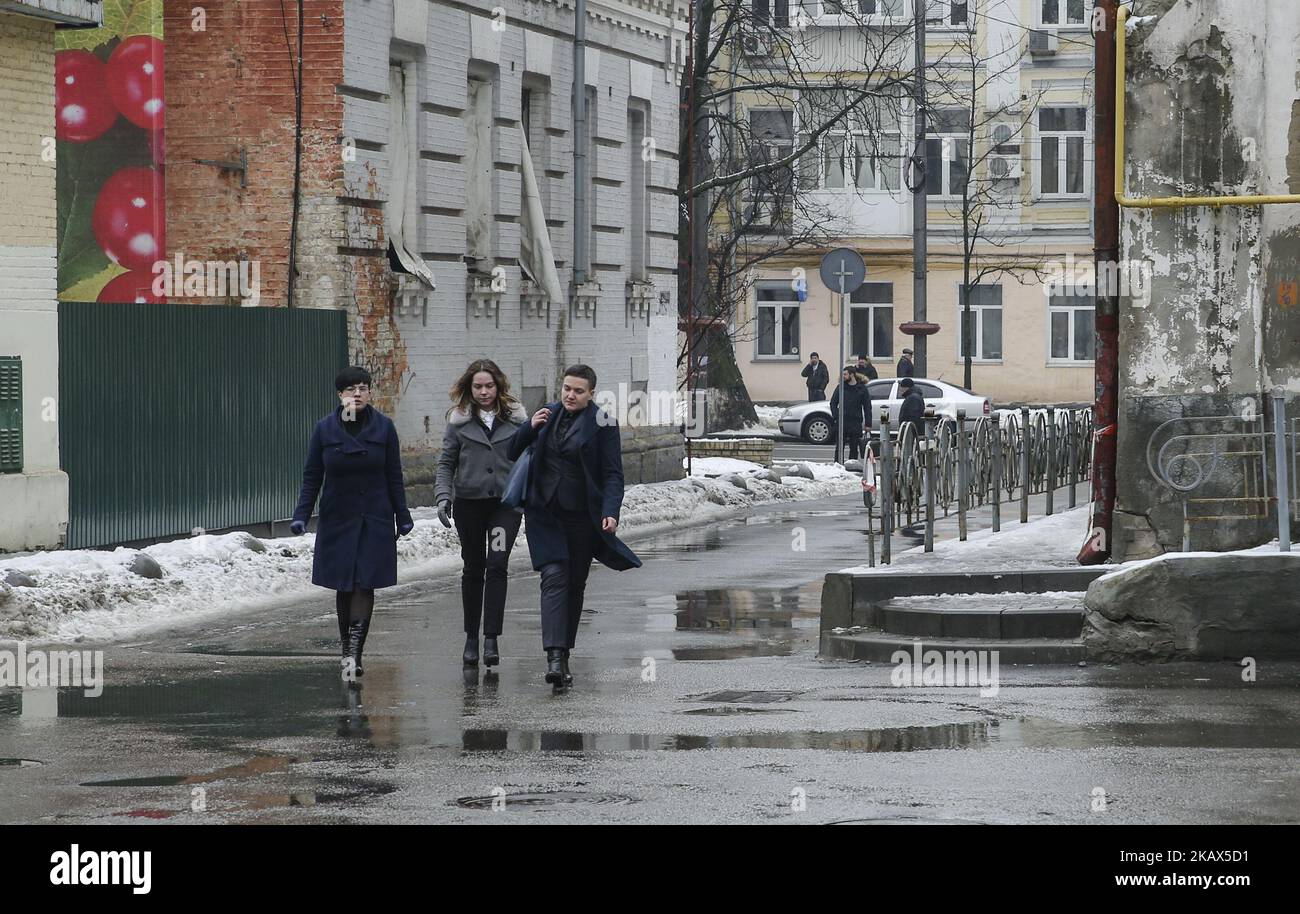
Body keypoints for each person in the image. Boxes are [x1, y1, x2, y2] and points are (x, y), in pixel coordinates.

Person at [507, 365, 642, 688]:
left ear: (591, 394)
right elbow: (512, 451)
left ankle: (564, 651)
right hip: (544, 512)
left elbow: (612, 474)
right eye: (567, 388)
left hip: (582, 515)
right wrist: (529, 427)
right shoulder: (547, 414)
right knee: (554, 577)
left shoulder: (604, 424)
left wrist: (611, 511)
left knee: (575, 583)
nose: (570, 395)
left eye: (578, 391)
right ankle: (554, 656)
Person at [291, 366, 414, 682]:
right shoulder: (325, 430)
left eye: (362, 388)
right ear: (339, 395)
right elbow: (312, 476)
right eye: (350, 389)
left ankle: (353, 654)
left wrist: (403, 515)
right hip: (338, 517)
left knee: (364, 582)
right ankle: (347, 647)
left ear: (370, 393)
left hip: (374, 517)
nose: (357, 394)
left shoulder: (384, 428)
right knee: (344, 585)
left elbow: (394, 476)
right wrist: (301, 515)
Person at [434, 359, 528, 668]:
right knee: (473, 567)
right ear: (469, 389)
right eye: (478, 386)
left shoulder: (516, 420)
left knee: (497, 564)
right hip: (470, 505)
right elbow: (447, 462)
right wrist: (443, 496)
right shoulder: (459, 422)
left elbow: (530, 458)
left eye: (489, 386)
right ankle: (471, 637)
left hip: (504, 506)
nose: (484, 392)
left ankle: (491, 638)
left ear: (499, 386)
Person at [829, 365, 872, 462]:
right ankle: (838, 465)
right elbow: (833, 403)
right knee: (839, 447)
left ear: (852, 375)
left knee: (854, 447)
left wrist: (868, 424)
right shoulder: (841, 387)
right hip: (842, 421)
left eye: (845, 374)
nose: (843, 376)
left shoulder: (862, 389)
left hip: (855, 421)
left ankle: (852, 466)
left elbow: (867, 407)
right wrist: (836, 416)